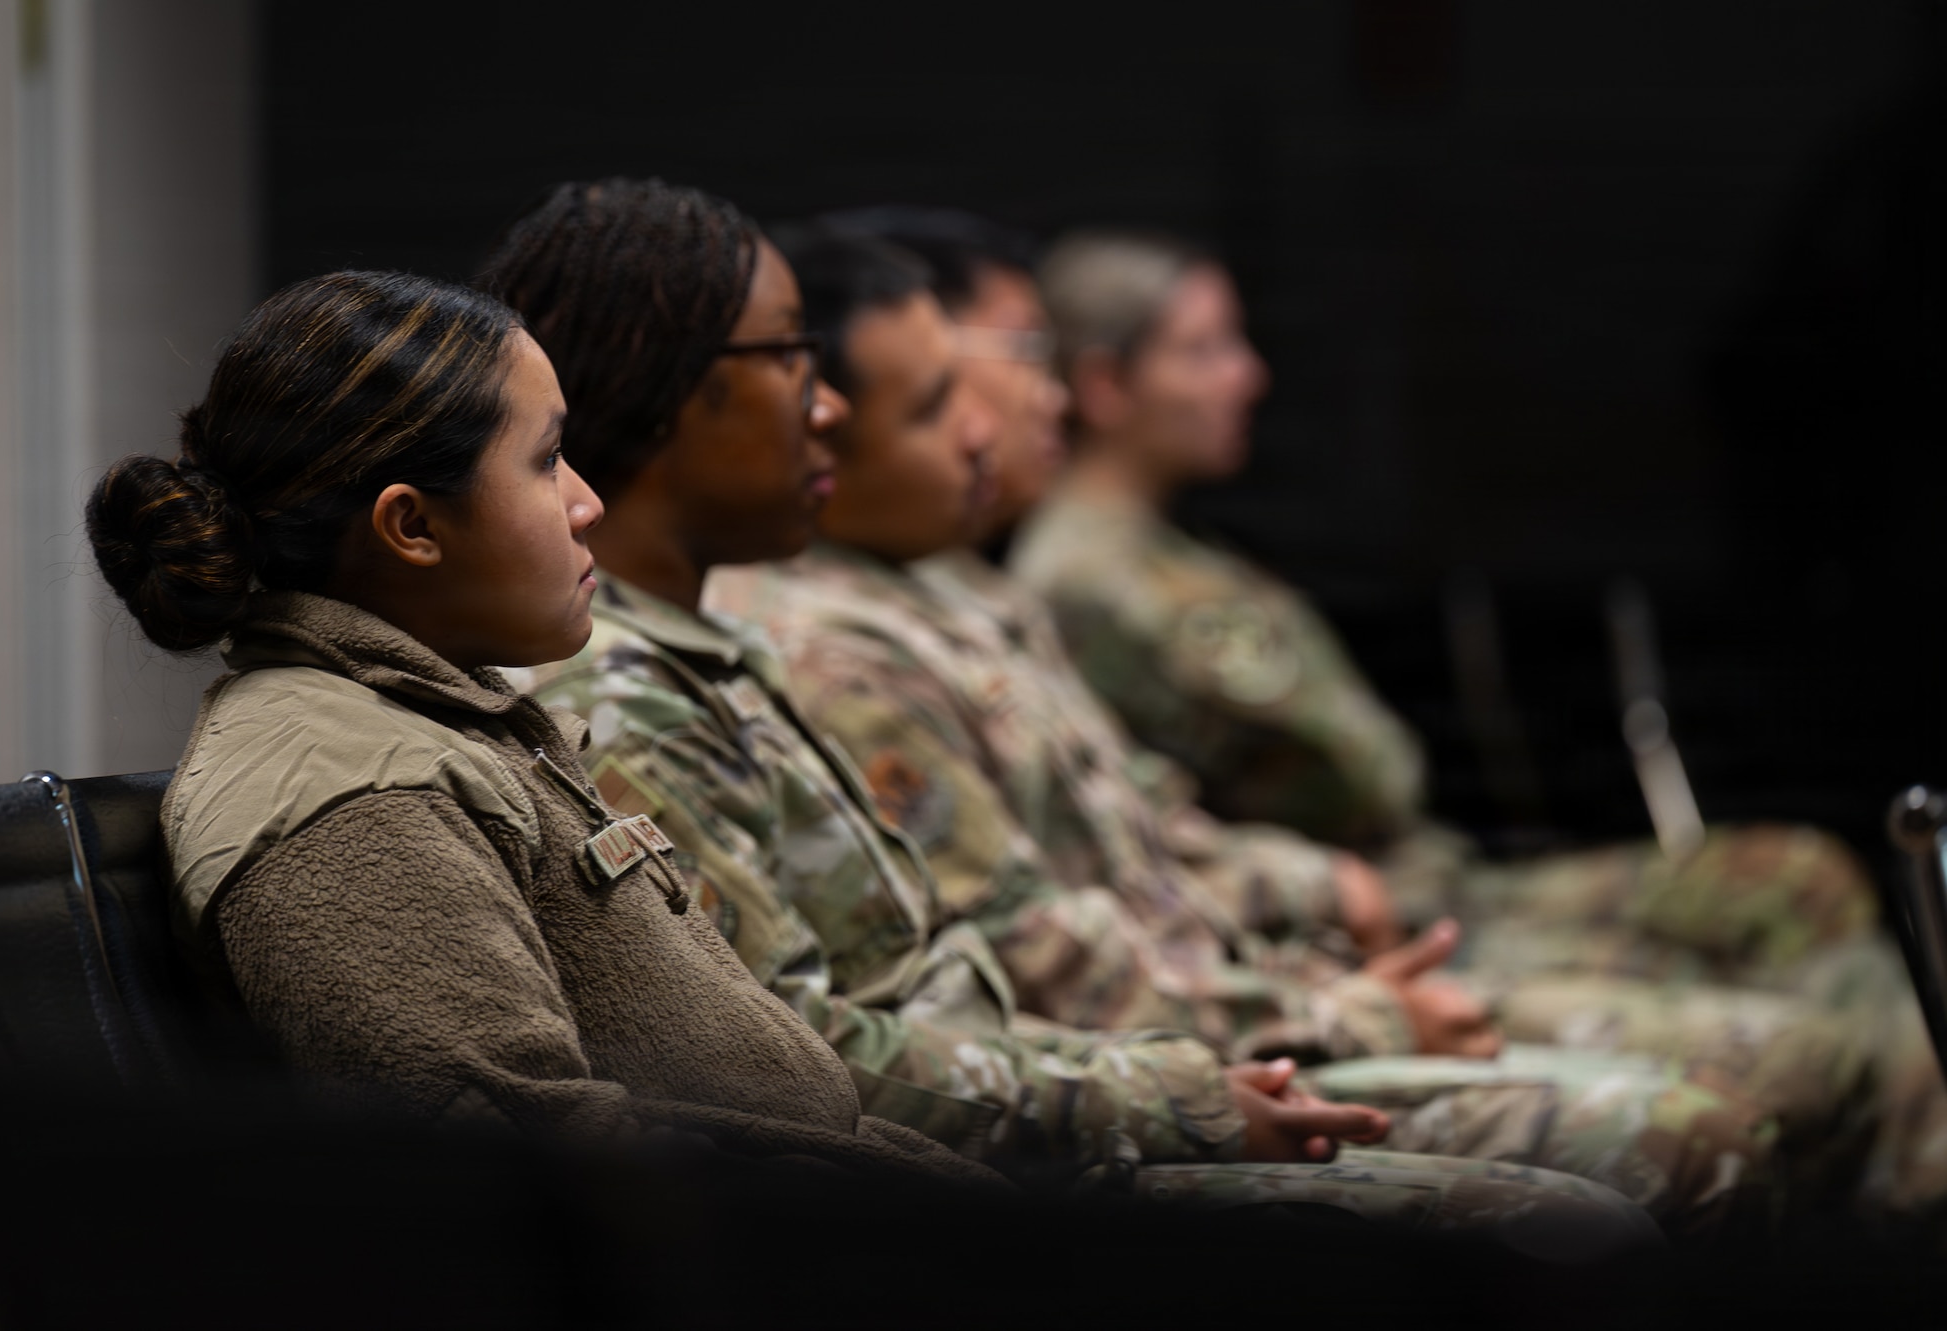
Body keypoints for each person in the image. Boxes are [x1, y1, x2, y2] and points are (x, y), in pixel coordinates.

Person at [475, 177, 1662, 1244]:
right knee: (1595, 1208)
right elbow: (803, 1066)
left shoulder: (725, 650)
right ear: (667, 385)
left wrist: (1188, 1067)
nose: (826, 407)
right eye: (793, 358)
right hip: (942, 1189)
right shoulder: (626, 698)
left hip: (1044, 1101)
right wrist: (1184, 1088)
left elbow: (996, 949)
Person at [702, 224, 1792, 1235]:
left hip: (1195, 1027)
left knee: (1783, 958)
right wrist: (1345, 1014)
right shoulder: (838, 646)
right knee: (1692, 1130)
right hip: (1128, 1072)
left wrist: (1323, 955)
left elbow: (1156, 844)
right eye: (942, 397)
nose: (1002, 415)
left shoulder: (953, 594)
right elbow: (1022, 973)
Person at [82, 268, 1000, 1189]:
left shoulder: (433, 714)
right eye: (547, 459)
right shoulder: (354, 792)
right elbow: (517, 1178)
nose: (586, 500)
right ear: (412, 525)